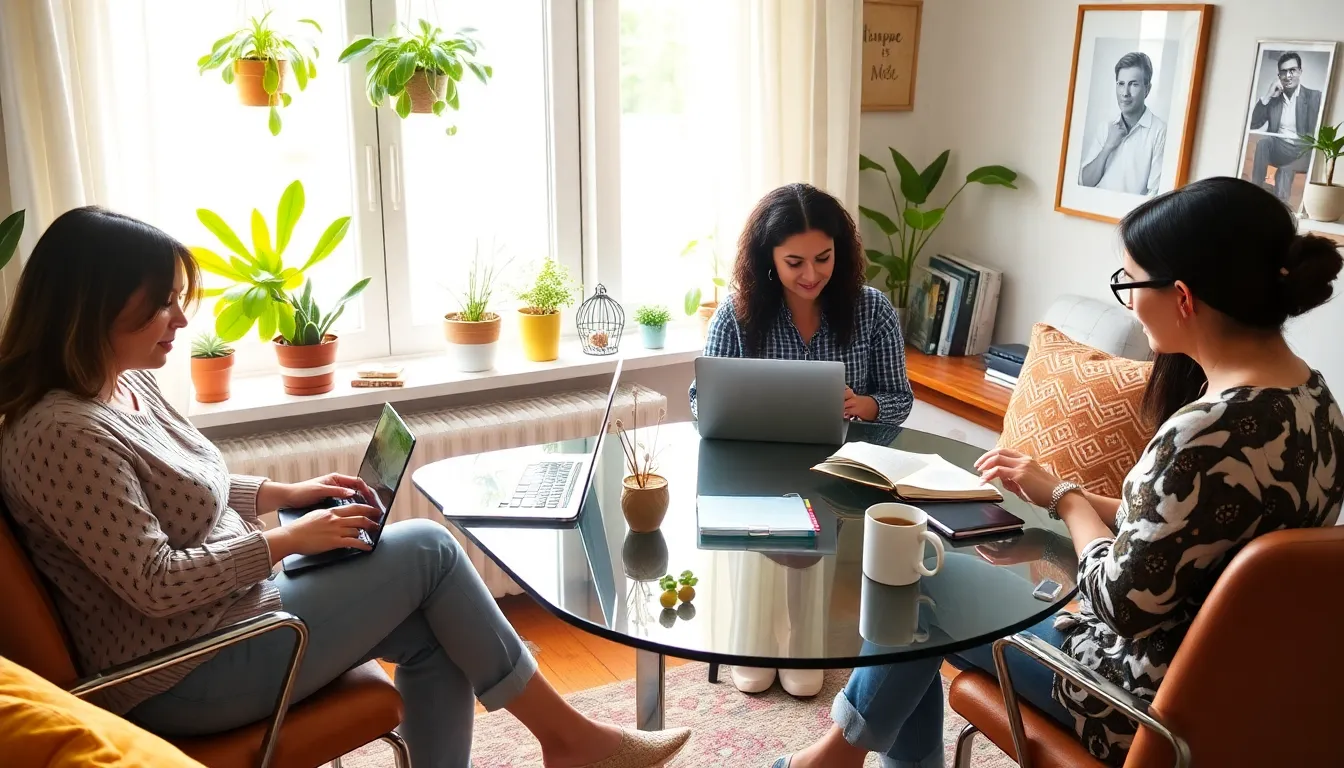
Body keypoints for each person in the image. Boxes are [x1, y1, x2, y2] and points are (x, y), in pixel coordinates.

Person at [0, 208, 691, 768]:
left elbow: (187, 491)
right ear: (88, 310)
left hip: (233, 617)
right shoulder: (60, 434)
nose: (180, 322)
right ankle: (572, 743)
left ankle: (568, 743)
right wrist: (285, 541)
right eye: (159, 307)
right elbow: (156, 580)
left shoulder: (126, 384)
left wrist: (283, 493)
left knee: (437, 627)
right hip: (180, 674)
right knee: (428, 550)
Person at [773, 176, 1344, 768]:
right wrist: (1058, 492)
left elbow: (1118, 602)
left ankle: (829, 760)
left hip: (1131, 705)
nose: (1126, 297)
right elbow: (1189, 539)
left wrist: (1069, 501)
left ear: (1182, 297)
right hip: (1237, 701)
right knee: (932, 590)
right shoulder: (1316, 405)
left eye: (1129, 282)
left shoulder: (1204, 431)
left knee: (919, 585)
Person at [688, 183, 914, 699]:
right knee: (761, 538)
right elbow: (703, 403)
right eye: (794, 262)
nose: (811, 274)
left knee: (820, 541)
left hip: (842, 469)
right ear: (768, 258)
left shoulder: (872, 311)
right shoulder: (738, 313)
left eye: (823, 258)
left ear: (842, 250)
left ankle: (804, 647)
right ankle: (753, 643)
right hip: (756, 469)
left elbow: (899, 398)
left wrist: (866, 406)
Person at [1079, 52, 1167, 195]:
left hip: (1133, 216)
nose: (1125, 93)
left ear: (1147, 89)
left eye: (1133, 84)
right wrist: (1107, 147)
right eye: (1121, 84)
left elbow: (1155, 194)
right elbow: (1085, 182)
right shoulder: (1105, 127)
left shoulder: (1160, 131)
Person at [1249, 51, 1323, 203]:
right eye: (1283, 72)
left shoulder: (1314, 97)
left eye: (1292, 70)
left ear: (1300, 72)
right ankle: (1253, 192)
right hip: (1279, 148)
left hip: (1301, 152)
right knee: (1264, 143)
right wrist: (1268, 96)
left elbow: (1317, 135)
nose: (1288, 76)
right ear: (1279, 76)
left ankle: (1280, 208)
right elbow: (1253, 124)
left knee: (1285, 170)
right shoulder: (1274, 99)